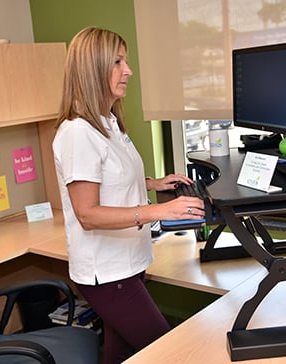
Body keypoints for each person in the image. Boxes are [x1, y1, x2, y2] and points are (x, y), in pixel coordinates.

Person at [52, 26, 205, 363]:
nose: (128, 71)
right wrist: (160, 211)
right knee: (169, 353)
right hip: (107, 273)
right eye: (118, 62)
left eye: (126, 61)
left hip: (127, 262)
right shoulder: (78, 132)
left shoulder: (107, 122)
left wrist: (153, 183)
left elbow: (108, 177)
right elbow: (88, 213)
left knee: (119, 354)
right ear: (94, 67)